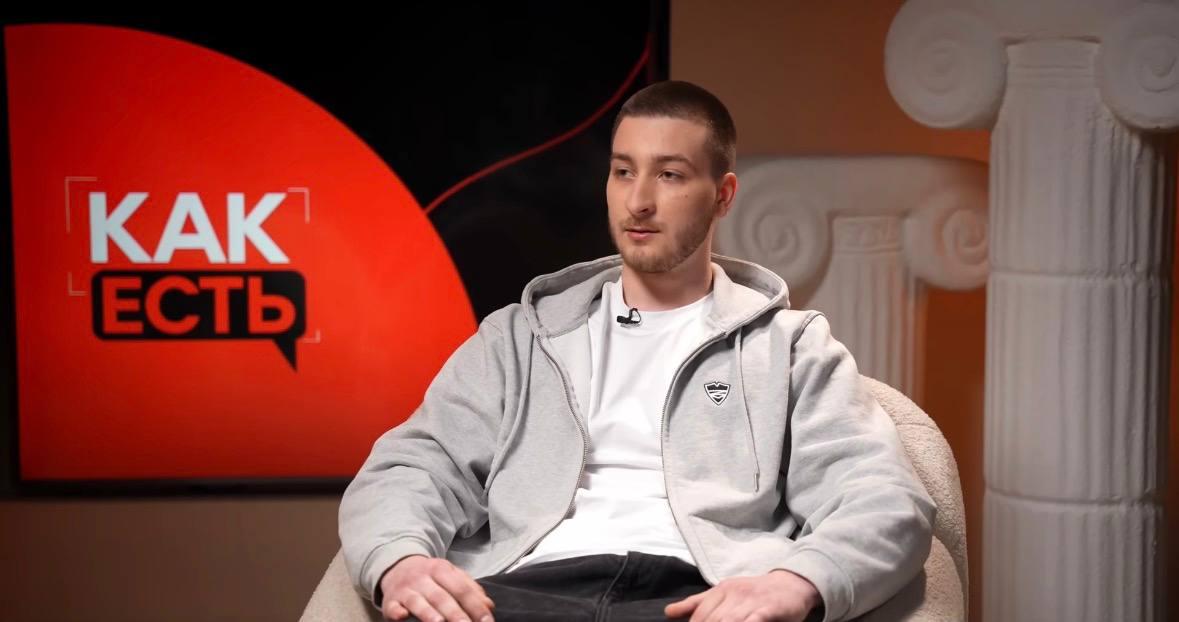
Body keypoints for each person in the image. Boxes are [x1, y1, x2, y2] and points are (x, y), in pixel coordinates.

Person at [339, 80, 935, 622]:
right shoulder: (518, 339)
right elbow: (413, 467)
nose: (638, 201)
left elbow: (882, 497)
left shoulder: (790, 347)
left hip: (698, 597)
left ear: (723, 195)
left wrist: (796, 581)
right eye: (623, 172)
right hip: (523, 593)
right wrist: (401, 560)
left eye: (669, 175)